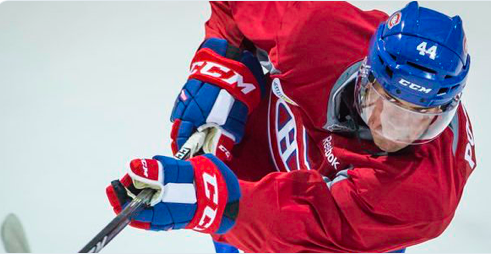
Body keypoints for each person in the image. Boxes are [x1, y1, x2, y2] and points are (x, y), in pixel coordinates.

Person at [105, 1, 476, 253]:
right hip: (254, 168)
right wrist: (224, 64)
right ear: (365, 74)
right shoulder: (317, 33)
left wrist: (214, 202)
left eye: (418, 120)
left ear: (444, 115)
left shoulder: (423, 194)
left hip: (342, 230)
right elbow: (234, 8)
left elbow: (304, 224)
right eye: (383, 103)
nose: (390, 131)